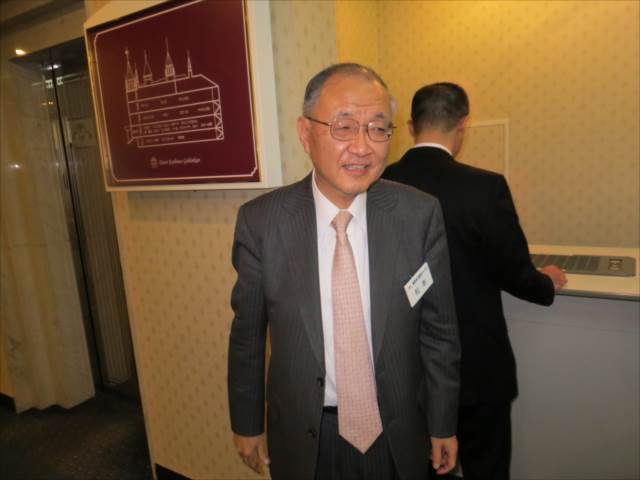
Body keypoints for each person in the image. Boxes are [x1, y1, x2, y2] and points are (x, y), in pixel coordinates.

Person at [228, 64, 461, 480]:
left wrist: (443, 422)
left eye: (378, 128)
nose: (362, 146)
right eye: (344, 126)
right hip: (306, 436)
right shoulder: (262, 223)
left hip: (397, 431)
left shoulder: (418, 215)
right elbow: (247, 334)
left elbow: (439, 331)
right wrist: (246, 423)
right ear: (305, 133)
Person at [382, 82, 567, 480]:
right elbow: (515, 273)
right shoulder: (485, 187)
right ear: (463, 124)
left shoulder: (378, 185)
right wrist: (547, 282)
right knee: (487, 467)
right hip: (476, 366)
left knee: (419, 469)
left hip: (408, 371)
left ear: (411, 126)